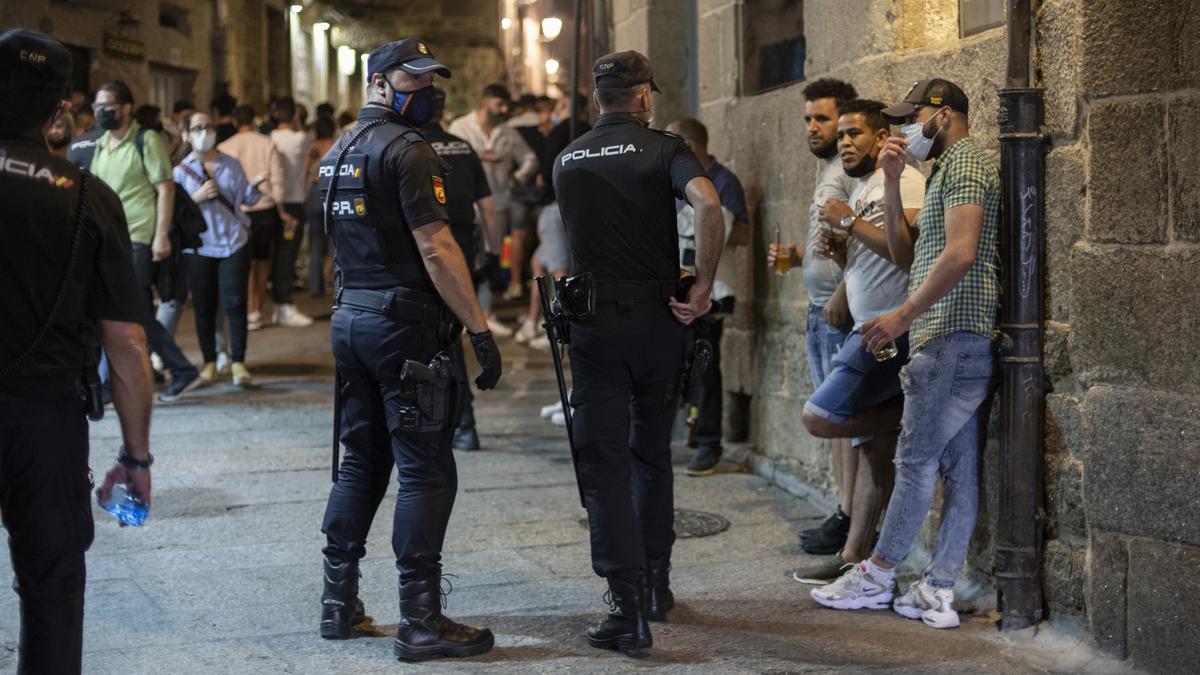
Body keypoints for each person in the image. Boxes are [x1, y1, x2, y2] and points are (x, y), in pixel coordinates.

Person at [316, 38, 502, 662]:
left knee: (361, 462)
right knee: (426, 468)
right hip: (404, 326)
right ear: (377, 81)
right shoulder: (408, 150)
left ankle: (337, 603)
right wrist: (477, 328)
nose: (424, 90)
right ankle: (420, 619)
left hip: (351, 321)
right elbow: (437, 248)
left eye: (429, 79)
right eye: (411, 78)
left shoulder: (338, 149)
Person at [811, 79, 1000, 631]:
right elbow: (902, 251)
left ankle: (875, 574)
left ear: (942, 115)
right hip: (951, 337)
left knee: (915, 461)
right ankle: (937, 590)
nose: (902, 129)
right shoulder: (941, 169)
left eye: (911, 117)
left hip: (949, 333)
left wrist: (904, 314)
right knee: (958, 468)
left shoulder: (964, 164)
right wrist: (892, 182)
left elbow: (962, 252)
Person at [553, 50, 724, 657]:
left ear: (598, 97)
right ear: (645, 96)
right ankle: (657, 585)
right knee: (651, 452)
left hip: (596, 326)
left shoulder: (567, 159)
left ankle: (625, 607)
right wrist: (702, 285)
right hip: (659, 321)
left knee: (603, 464)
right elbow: (708, 204)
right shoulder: (666, 148)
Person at [0, 29, 154, 673]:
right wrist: (134, 456)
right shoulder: (89, 197)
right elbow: (125, 342)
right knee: (53, 581)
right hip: (44, 420)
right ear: (61, 107)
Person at [789, 99, 925, 584]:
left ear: (882, 137)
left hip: (884, 332)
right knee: (871, 448)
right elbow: (876, 258)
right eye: (841, 135)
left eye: (855, 134)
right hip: (864, 325)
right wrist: (844, 252)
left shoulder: (904, 181)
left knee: (819, 416)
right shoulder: (869, 186)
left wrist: (847, 222)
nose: (844, 142)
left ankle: (920, 417)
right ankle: (853, 557)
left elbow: (905, 252)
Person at [766, 78, 859, 556]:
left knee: (842, 419)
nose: (813, 128)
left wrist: (841, 296)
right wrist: (799, 255)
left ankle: (851, 518)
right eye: (808, 119)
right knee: (834, 422)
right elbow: (830, 245)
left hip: (839, 313)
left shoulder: (847, 171)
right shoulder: (826, 170)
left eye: (821, 119)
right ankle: (843, 510)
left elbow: (864, 243)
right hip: (819, 311)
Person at [90, 79, 201, 401]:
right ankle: (119, 381)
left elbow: (165, 187)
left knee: (128, 309)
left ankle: (179, 369)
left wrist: (161, 235)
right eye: (97, 106)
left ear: (126, 108)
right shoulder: (101, 144)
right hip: (108, 239)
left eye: (107, 106)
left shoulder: (146, 139)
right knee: (121, 310)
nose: (101, 112)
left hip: (138, 236)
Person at [664, 117, 750, 477]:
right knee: (678, 363)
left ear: (687, 144)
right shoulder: (671, 179)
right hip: (678, 286)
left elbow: (736, 231)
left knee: (705, 365)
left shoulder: (723, 181)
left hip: (712, 289)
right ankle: (692, 431)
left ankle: (709, 445)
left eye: (671, 142)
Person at [422, 87, 502, 452]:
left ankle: (433, 421)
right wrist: (494, 254)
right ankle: (465, 425)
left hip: (422, 255)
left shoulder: (408, 148)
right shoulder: (463, 148)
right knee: (452, 337)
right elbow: (487, 208)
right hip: (462, 252)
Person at [175, 112, 261, 387]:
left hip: (233, 242)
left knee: (236, 303)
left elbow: (243, 199)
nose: (204, 131)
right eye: (198, 127)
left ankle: (238, 362)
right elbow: (175, 213)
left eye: (208, 126)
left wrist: (255, 188)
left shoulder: (231, 164)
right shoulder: (179, 171)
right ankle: (209, 362)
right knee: (204, 306)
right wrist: (195, 198)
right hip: (199, 247)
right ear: (187, 133)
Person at [448, 83, 538, 335]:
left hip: (497, 202)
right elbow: (448, 161)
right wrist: (478, 156)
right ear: (486, 101)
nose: (504, 109)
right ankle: (465, 314)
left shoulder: (508, 132)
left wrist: (516, 178)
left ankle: (486, 313)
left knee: (490, 256)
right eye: (500, 104)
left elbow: (530, 159)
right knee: (462, 258)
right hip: (465, 204)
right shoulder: (460, 127)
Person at [218, 104, 294, 330]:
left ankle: (246, 307)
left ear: (234, 122)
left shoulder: (225, 147)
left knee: (244, 262)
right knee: (263, 261)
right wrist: (281, 209)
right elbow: (277, 180)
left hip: (237, 209)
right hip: (265, 207)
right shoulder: (267, 143)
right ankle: (257, 309)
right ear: (254, 121)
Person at [269, 96, 316, 327]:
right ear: (295, 115)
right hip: (294, 202)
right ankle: (284, 304)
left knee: (278, 254)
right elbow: (312, 154)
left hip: (273, 203)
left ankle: (279, 306)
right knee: (288, 255)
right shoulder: (300, 139)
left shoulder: (269, 138)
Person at [305, 114, 337, 296]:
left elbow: (305, 170)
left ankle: (315, 286)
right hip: (332, 193)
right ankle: (333, 280)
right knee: (335, 241)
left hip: (314, 194)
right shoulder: (338, 145)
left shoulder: (313, 148)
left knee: (315, 243)